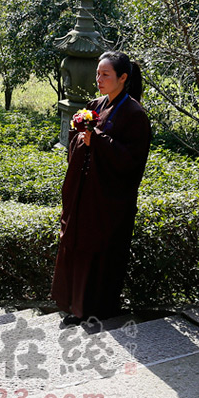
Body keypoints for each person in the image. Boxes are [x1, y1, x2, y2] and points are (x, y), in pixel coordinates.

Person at [51, 50, 151, 325]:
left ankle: (97, 311)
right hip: (86, 193)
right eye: (98, 73)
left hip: (109, 201)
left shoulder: (134, 113)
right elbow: (78, 140)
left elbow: (131, 160)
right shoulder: (96, 104)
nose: (99, 79)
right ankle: (76, 308)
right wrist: (78, 130)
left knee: (101, 256)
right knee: (78, 249)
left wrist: (97, 139)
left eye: (105, 74)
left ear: (123, 77)